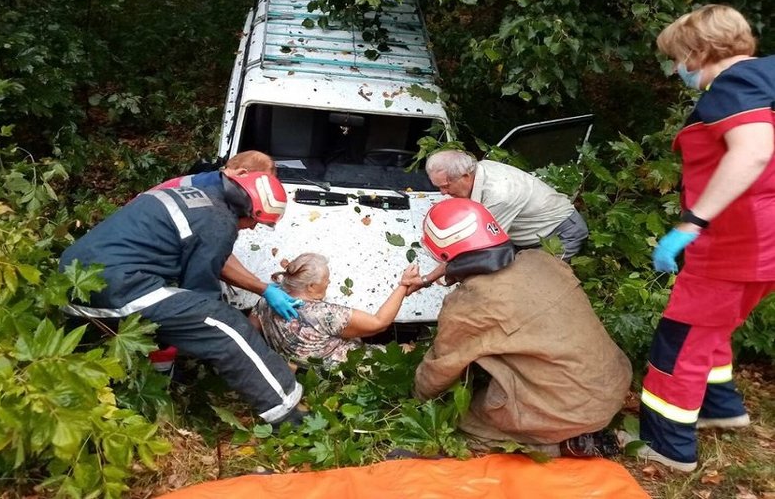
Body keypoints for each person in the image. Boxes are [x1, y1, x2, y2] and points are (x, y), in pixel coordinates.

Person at [630, 4, 775, 472]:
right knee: (712, 331)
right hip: (763, 249)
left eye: (676, 58)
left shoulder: (733, 85)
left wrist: (692, 223)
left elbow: (753, 152)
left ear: (697, 51)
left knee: (679, 341)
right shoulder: (767, 80)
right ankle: (720, 408)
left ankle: (667, 445)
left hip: (734, 247)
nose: (676, 69)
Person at [59, 172, 305, 426]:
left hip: (74, 281)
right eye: (255, 221)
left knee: (170, 313)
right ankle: (285, 409)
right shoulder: (219, 220)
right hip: (118, 285)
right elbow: (200, 291)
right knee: (224, 323)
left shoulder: (194, 196)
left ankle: (160, 388)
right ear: (245, 207)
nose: (252, 227)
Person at [413, 198, 631, 457]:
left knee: (466, 422)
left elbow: (438, 372)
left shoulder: (471, 303)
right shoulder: (541, 260)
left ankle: (558, 444)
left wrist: (416, 399)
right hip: (613, 386)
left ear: (446, 256)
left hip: (571, 409)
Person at [151, 150, 299, 321]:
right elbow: (211, 263)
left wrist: (262, 286)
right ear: (243, 173)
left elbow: (221, 254)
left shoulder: (215, 185)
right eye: (260, 185)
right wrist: (261, 288)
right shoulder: (206, 197)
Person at [249, 253, 422, 369]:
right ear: (311, 286)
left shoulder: (267, 300)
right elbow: (379, 323)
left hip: (300, 366)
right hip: (338, 368)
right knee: (406, 351)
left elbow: (249, 330)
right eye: (326, 279)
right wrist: (403, 285)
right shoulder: (325, 314)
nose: (329, 282)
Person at [425, 150, 588, 261]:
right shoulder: (479, 170)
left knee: (531, 285)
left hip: (560, 234)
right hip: (528, 234)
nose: (442, 193)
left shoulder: (499, 195)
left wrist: (431, 278)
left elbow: (480, 249)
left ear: (466, 176)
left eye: (446, 186)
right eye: (438, 187)